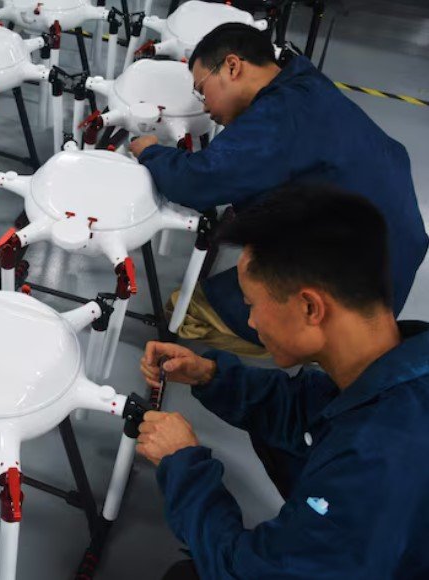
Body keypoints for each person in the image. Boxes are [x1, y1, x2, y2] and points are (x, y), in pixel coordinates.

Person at [136, 185, 429, 579]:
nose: (251, 321)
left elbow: (250, 573)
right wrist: (211, 376)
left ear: (310, 307)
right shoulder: (394, 365)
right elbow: (314, 409)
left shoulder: (373, 466)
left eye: (252, 304)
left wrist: (182, 463)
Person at [129, 23, 427, 357]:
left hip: (351, 288)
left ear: (232, 66)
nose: (205, 105)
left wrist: (150, 151)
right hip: (389, 261)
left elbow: (196, 181)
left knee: (184, 310)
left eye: (202, 89)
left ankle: (317, 346)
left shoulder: (279, 115)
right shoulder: (305, 82)